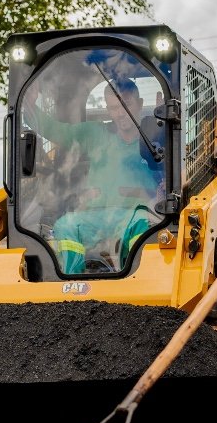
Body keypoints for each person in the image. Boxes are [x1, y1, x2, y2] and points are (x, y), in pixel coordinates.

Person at [31, 75, 165, 274]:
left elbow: (171, 178)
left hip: (137, 216)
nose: (120, 113)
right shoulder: (96, 135)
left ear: (139, 104)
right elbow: (57, 131)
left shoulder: (157, 139)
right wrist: (30, 106)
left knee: (142, 226)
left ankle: (142, 278)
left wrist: (163, 124)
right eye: (113, 108)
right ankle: (70, 286)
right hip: (98, 217)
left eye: (125, 105)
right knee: (66, 225)